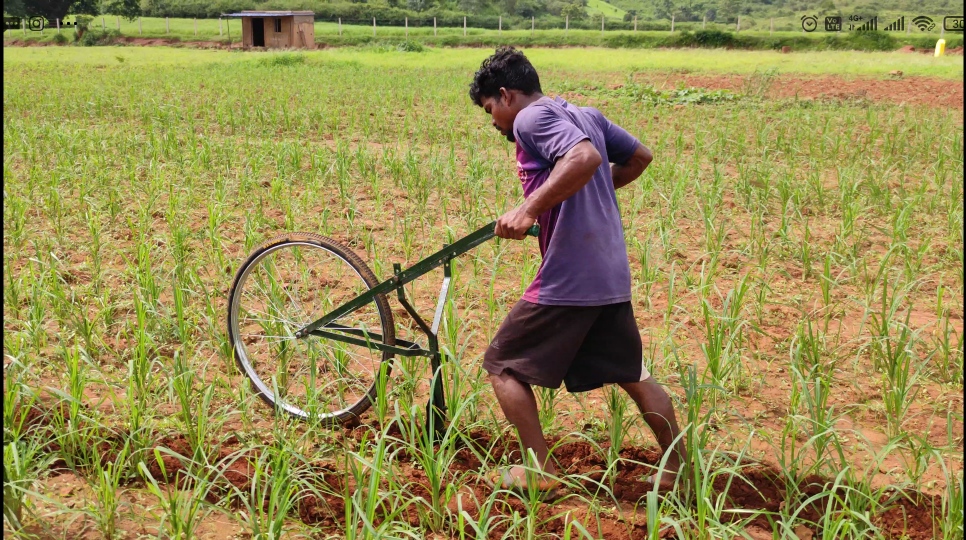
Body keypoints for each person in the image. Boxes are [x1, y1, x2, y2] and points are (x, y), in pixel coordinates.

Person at [468, 46, 686, 497]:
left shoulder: (529, 119)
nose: (494, 122)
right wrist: (577, 201)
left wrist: (529, 209)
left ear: (506, 95)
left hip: (570, 275)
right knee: (634, 374)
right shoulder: (587, 113)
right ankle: (679, 471)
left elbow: (583, 160)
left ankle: (539, 471)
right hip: (610, 271)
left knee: (503, 366)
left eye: (491, 109)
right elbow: (640, 157)